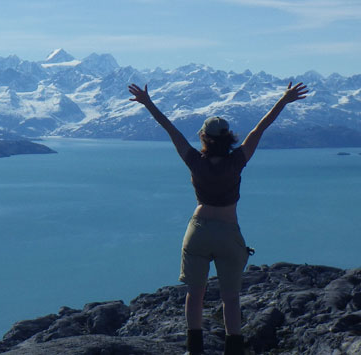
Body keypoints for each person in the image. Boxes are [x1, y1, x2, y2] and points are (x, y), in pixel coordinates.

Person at [128, 82, 309, 355]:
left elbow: (170, 129)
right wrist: (283, 100)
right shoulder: (237, 160)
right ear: (229, 138)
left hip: (198, 231)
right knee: (231, 298)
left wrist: (148, 102)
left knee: (195, 293)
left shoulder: (194, 160)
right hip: (228, 232)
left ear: (203, 137)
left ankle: (194, 350)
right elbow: (259, 129)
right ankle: (233, 350)